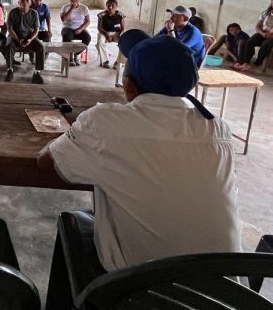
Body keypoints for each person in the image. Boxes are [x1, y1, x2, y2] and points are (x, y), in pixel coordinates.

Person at [37, 30, 241, 309]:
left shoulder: (105, 121)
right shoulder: (218, 128)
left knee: (72, 222)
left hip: (142, 295)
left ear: (129, 85)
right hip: (226, 297)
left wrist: (78, 133)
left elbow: (46, 162)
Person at [3, 0, 45, 84]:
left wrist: (30, 39)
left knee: (40, 47)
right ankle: (10, 70)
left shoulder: (34, 13)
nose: (25, 4)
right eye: (23, 2)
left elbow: (36, 29)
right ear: (19, 3)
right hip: (14, 36)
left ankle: (37, 72)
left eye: (27, 2)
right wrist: (17, 39)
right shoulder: (13, 12)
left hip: (28, 36)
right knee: (9, 46)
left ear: (30, 3)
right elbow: (10, 28)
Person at [60, 0, 91, 65]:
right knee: (67, 36)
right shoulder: (65, 7)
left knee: (87, 38)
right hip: (68, 28)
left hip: (80, 28)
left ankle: (76, 54)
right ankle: (69, 57)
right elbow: (64, 19)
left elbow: (88, 21)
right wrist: (72, 8)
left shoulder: (84, 8)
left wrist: (80, 29)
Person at [96, 0, 126, 68]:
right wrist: (106, 35)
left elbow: (122, 28)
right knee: (100, 42)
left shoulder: (120, 15)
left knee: (124, 43)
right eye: (108, 5)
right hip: (104, 32)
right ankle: (105, 61)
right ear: (106, 6)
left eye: (113, 5)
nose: (110, 7)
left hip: (116, 33)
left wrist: (118, 34)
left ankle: (118, 62)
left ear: (116, 6)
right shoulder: (102, 15)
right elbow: (99, 28)